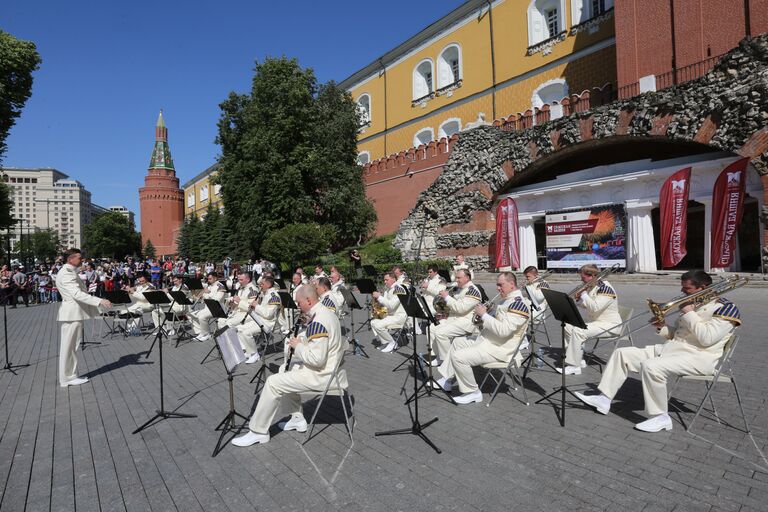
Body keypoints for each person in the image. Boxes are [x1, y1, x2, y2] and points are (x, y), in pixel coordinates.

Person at [575, 270, 741, 432]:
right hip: (673, 350)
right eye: (682, 287)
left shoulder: (726, 308)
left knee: (651, 366)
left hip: (699, 358)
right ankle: (604, 399)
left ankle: (660, 417)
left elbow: (707, 338)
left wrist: (689, 313)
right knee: (622, 353)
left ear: (703, 288)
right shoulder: (695, 305)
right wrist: (662, 327)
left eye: (687, 288)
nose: (682, 291)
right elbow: (679, 335)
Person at [231, 285, 346, 447]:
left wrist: (297, 345)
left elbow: (317, 360)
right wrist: (302, 340)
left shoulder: (318, 320)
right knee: (283, 368)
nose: (297, 306)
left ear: (308, 300)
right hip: (331, 370)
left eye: (299, 303)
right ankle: (297, 419)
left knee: (272, 382)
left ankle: (258, 432)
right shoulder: (327, 313)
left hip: (322, 375)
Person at [432, 272, 531, 404]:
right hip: (488, 341)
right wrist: (482, 318)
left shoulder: (518, 304)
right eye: (497, 285)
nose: (497, 288)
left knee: (458, 357)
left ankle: (472, 392)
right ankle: (448, 379)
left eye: (500, 285)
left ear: (512, 284)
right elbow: (495, 322)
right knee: (457, 342)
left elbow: (504, 331)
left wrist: (484, 315)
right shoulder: (507, 300)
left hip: (500, 349)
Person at [56, 249, 112, 387]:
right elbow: (76, 293)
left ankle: (69, 375)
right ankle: (67, 377)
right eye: (79, 258)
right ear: (70, 259)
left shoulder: (68, 272)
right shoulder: (67, 274)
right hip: (71, 313)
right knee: (69, 347)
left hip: (73, 313)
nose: (82, 260)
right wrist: (99, 301)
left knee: (71, 346)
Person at [556, 264, 622, 375]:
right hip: (598, 323)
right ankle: (578, 358)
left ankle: (574, 366)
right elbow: (587, 305)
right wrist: (578, 300)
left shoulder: (605, 288)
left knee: (578, 330)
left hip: (611, 325)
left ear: (592, 276)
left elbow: (595, 307)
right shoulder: (593, 287)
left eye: (583, 278)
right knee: (567, 325)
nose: (582, 280)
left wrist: (584, 294)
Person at [429, 269, 482, 365]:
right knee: (432, 328)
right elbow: (454, 307)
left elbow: (461, 308)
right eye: (456, 277)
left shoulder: (472, 291)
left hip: (467, 322)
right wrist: (444, 313)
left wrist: (447, 297)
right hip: (455, 318)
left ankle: (447, 362)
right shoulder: (460, 288)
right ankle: (439, 356)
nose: (456, 280)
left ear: (467, 278)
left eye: (459, 278)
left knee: (441, 333)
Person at [236, 276, 282, 364]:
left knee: (246, 333)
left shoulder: (274, 296)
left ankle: (254, 354)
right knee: (239, 328)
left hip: (268, 323)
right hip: (259, 320)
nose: (260, 286)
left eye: (262, 284)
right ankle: (248, 351)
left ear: (268, 285)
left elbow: (268, 315)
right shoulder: (265, 293)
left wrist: (256, 306)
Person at [370, 272, 409, 353]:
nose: (385, 282)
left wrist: (379, 297)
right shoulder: (388, 289)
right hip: (390, 315)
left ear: (394, 279)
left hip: (399, 317)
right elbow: (385, 304)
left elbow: (391, 305)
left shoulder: (399, 288)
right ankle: (386, 342)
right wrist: (377, 301)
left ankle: (392, 342)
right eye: (384, 280)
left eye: (386, 280)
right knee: (373, 322)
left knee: (378, 324)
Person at [190, 272, 227, 341]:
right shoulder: (209, 286)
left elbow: (217, 300)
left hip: (217, 309)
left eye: (210, 279)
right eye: (208, 279)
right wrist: (198, 296)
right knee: (191, 314)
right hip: (208, 308)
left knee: (201, 316)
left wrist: (208, 293)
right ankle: (202, 332)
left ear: (215, 278)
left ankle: (207, 334)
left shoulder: (221, 286)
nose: (208, 280)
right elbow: (204, 299)